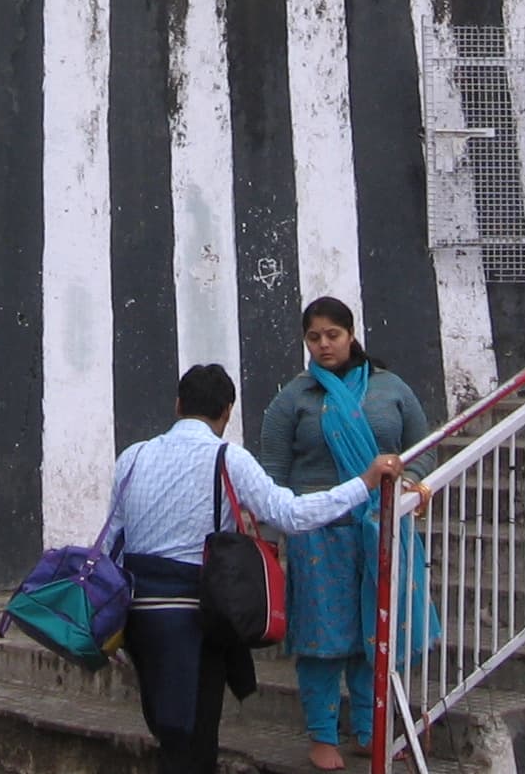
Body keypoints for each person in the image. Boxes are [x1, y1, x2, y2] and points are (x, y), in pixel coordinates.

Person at [105, 363, 403, 774]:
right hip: (195, 616)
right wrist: (364, 483)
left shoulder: (132, 456)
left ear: (178, 405)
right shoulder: (228, 458)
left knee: (168, 729)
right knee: (195, 739)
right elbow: (290, 514)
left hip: (139, 615)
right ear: (227, 411)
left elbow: (113, 540)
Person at [260, 296, 432, 771]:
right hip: (317, 533)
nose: (323, 345)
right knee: (321, 636)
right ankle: (322, 734)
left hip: (380, 529)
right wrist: (272, 535)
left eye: (332, 335)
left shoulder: (390, 388)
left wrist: (413, 483)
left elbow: (423, 447)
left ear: (351, 335)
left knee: (373, 631)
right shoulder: (294, 398)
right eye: (313, 337)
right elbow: (272, 472)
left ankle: (369, 729)